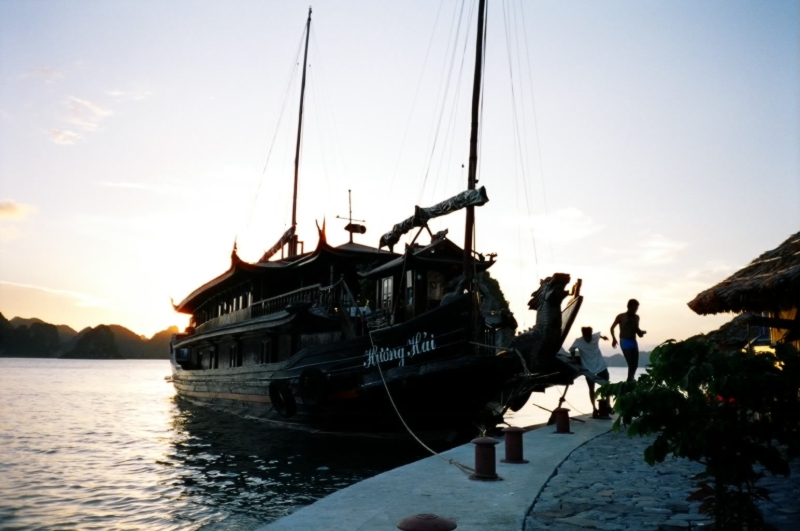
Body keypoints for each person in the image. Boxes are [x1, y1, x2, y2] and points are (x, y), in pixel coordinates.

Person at [568, 326, 610, 418]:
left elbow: (599, 335)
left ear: (591, 334)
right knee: (591, 389)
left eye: (589, 336)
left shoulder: (595, 336)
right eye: (586, 337)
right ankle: (594, 408)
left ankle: (608, 405)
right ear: (583, 335)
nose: (588, 338)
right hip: (588, 368)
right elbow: (571, 349)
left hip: (601, 365)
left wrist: (604, 337)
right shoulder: (578, 341)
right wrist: (575, 358)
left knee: (607, 385)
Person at [610, 299, 647, 381]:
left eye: (636, 309)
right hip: (624, 341)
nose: (635, 311)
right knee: (631, 363)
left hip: (633, 341)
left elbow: (637, 330)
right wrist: (613, 338)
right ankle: (629, 379)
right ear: (628, 307)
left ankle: (631, 378)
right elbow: (612, 328)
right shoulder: (621, 316)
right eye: (633, 309)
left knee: (635, 364)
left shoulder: (636, 317)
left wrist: (641, 333)